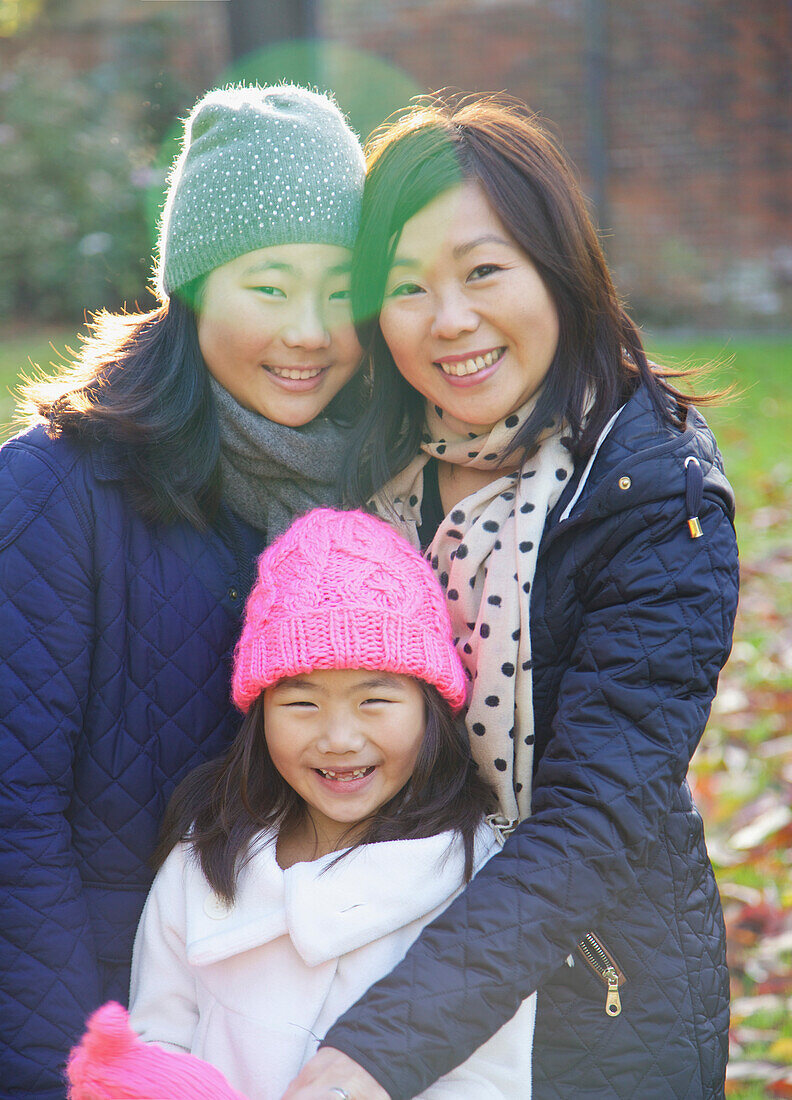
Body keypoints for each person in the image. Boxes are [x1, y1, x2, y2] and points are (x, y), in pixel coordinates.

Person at [282, 95, 741, 1099]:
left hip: (589, 1013)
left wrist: (376, 1051)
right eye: (405, 285)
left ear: (559, 272)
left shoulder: (653, 497)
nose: (449, 320)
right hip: (354, 958)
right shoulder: (363, 463)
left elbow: (588, 825)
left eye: (483, 270)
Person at [0, 83, 365, 1099]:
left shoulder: (378, 486)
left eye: (341, 290)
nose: (308, 331)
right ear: (194, 288)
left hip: (305, 1042)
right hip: (110, 1028)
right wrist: (73, 1070)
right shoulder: (52, 492)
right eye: (269, 285)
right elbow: (11, 812)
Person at [121, 507, 536, 1099]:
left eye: (374, 701)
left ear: (430, 707)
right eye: (302, 704)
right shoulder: (207, 855)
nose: (339, 739)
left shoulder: (472, 878)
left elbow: (483, 1081)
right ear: (260, 712)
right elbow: (156, 1039)